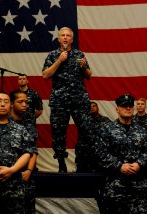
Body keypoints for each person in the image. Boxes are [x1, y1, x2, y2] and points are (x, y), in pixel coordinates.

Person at [42, 27, 93, 172]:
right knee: (58, 132)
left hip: (79, 100)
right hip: (60, 100)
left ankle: (82, 162)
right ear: (58, 39)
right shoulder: (52, 55)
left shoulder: (79, 54)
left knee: (86, 130)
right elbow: (45, 75)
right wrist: (59, 60)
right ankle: (61, 163)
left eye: (68, 35)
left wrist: (84, 67)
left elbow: (89, 75)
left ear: (72, 39)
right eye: (62, 35)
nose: (65, 38)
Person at [9, 90, 40, 214]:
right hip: (7, 180)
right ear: (12, 104)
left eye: (26, 102)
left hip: (25, 181)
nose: (25, 105)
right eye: (21, 102)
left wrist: (28, 171)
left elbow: (33, 151)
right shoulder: (3, 124)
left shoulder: (28, 126)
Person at [75, 101, 111, 172]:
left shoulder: (105, 120)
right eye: (90, 107)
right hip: (85, 152)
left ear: (98, 108)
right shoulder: (84, 121)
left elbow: (110, 135)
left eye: (94, 106)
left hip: (100, 152)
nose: (92, 108)